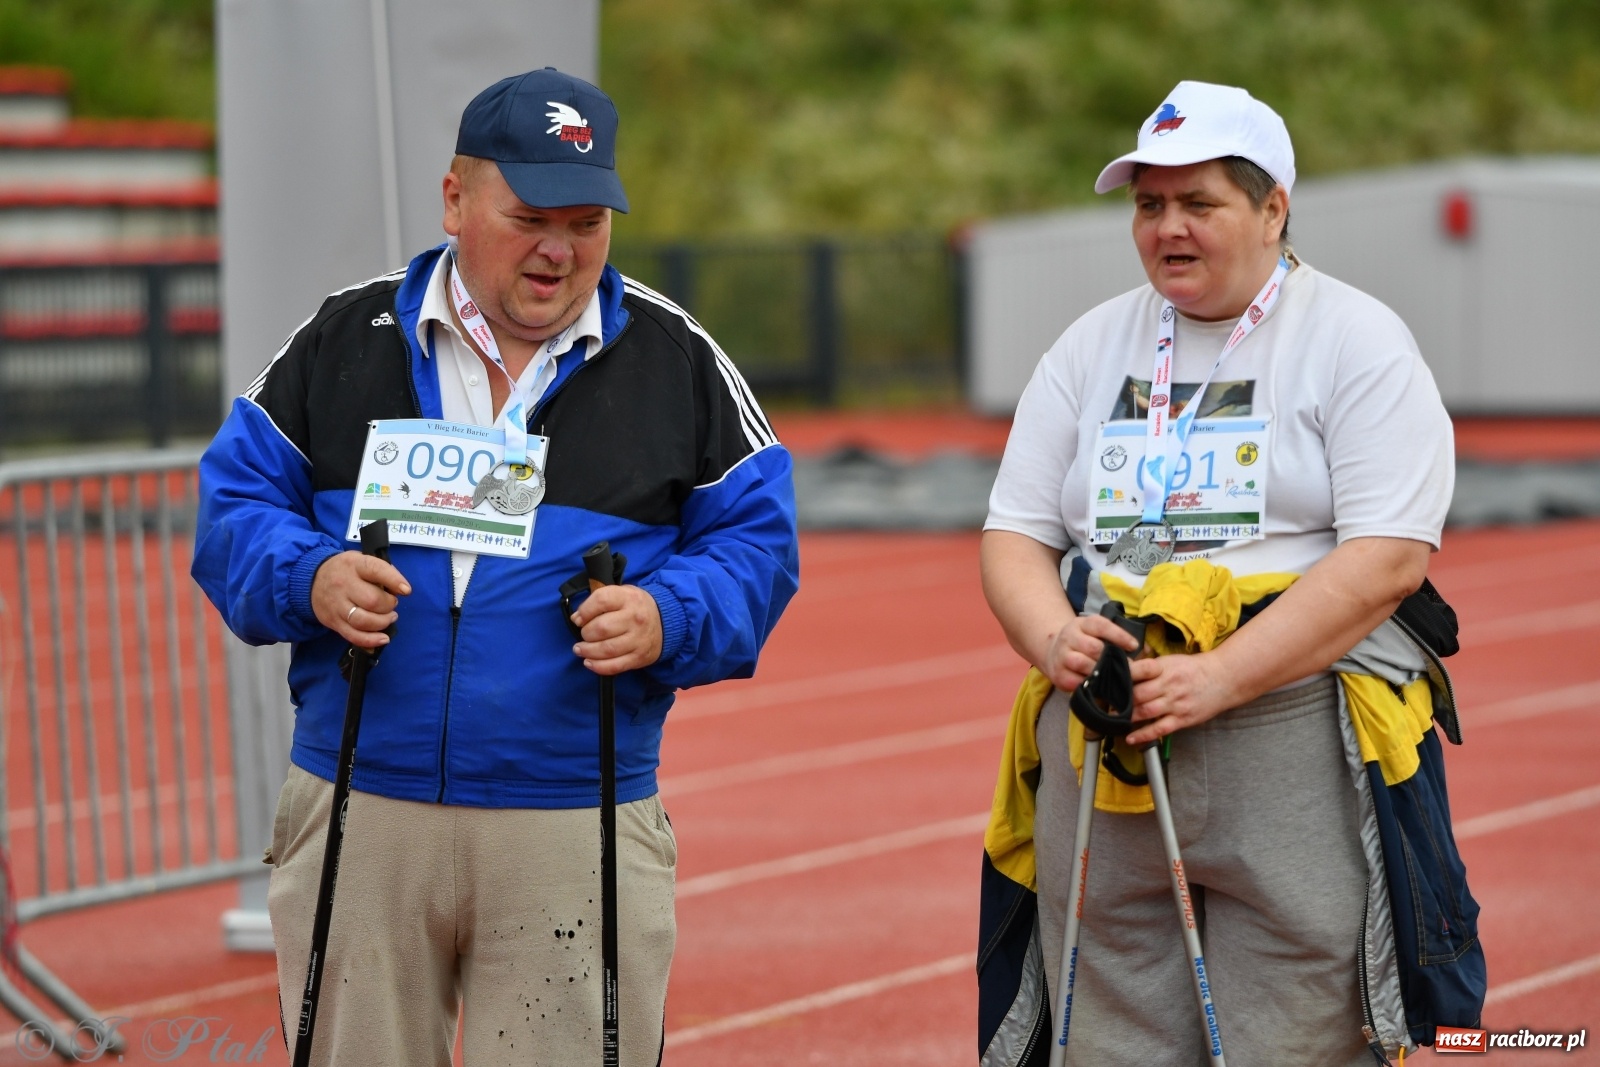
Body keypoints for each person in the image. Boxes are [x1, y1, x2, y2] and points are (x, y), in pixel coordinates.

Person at [192, 68, 800, 1066]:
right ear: (454, 199)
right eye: (529, 217)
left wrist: (667, 614)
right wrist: (309, 575)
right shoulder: (344, 336)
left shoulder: (677, 356)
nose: (560, 250)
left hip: (574, 811)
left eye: (587, 221)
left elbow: (758, 547)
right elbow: (232, 509)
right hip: (361, 804)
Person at [978, 81, 1458, 1064]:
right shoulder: (1089, 345)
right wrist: (1051, 637)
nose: (1169, 230)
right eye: (1149, 206)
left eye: (1199, 204)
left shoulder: (1356, 339)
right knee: (1099, 1027)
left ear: (1273, 206)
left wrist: (1218, 677)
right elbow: (1014, 533)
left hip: (1292, 727)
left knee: (1305, 1024)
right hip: (1106, 725)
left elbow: (1388, 557)